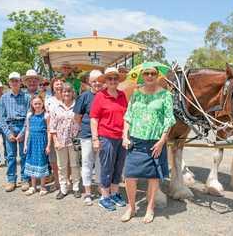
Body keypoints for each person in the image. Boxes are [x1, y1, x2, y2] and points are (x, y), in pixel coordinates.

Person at [121, 65, 176, 223]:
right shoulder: (136, 94)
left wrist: (162, 141)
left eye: (153, 73)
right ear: (142, 76)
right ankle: (131, 207)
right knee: (129, 176)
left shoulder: (166, 95)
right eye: (147, 73)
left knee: (153, 177)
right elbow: (128, 116)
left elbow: (169, 120)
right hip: (135, 141)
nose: (150, 76)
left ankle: (150, 208)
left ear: (157, 75)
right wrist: (125, 136)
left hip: (155, 143)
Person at [90, 67, 128, 211]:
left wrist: (125, 135)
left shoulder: (122, 95)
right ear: (105, 81)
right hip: (106, 137)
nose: (113, 81)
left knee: (118, 167)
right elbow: (94, 118)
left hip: (121, 138)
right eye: (110, 78)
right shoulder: (101, 96)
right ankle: (104, 196)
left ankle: (115, 193)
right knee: (107, 167)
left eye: (115, 79)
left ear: (118, 81)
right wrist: (95, 139)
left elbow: (126, 117)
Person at [74, 70, 103, 206]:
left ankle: (100, 187)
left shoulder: (105, 96)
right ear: (90, 82)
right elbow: (77, 117)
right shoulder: (84, 97)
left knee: (100, 163)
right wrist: (85, 128)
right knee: (86, 163)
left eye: (99, 80)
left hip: (103, 135)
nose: (97, 83)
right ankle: (87, 192)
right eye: (94, 81)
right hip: (87, 135)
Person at [0, 72, 31, 192]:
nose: (14, 83)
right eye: (12, 81)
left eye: (16, 80)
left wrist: (23, 132)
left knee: (24, 155)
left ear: (20, 82)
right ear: (9, 83)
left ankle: (24, 179)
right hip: (10, 126)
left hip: (23, 125)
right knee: (11, 156)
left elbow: (29, 116)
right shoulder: (4, 98)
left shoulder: (27, 97)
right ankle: (11, 180)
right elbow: (1, 118)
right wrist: (8, 133)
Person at [50, 83, 81, 199]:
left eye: (69, 91)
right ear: (61, 93)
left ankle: (76, 187)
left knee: (75, 164)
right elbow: (52, 127)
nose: (66, 94)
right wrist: (55, 141)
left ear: (73, 93)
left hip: (75, 139)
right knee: (62, 166)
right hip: (60, 140)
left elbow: (81, 122)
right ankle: (63, 188)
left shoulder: (78, 106)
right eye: (64, 92)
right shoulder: (55, 108)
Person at [24, 95, 51, 196]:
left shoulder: (46, 115)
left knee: (42, 162)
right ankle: (33, 186)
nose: (37, 105)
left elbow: (49, 130)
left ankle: (43, 186)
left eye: (39, 103)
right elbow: (27, 130)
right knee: (31, 162)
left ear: (42, 103)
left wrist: (48, 145)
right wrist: (25, 145)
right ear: (32, 104)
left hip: (41, 142)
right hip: (31, 142)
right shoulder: (30, 115)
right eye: (35, 103)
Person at [45, 75, 64, 191]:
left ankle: (66, 181)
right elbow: (48, 119)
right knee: (54, 161)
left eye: (60, 83)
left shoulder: (68, 97)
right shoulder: (49, 101)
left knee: (66, 160)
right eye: (56, 83)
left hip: (66, 133)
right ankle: (57, 182)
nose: (58, 85)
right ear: (52, 86)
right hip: (53, 133)